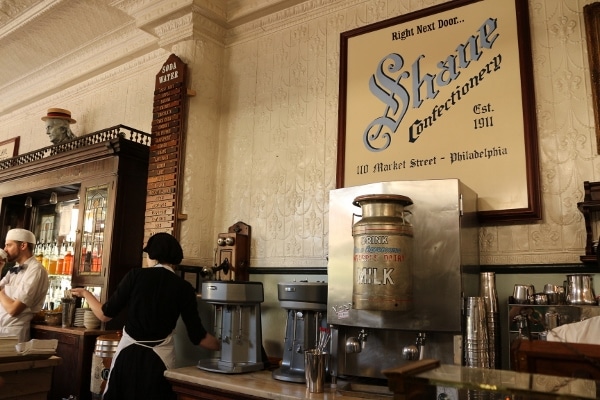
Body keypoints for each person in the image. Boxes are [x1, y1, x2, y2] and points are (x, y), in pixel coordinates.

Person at [71, 232, 220, 400]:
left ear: (152, 255)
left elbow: (104, 315)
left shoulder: (135, 276)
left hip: (127, 357)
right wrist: (224, 347)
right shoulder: (184, 288)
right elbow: (198, 337)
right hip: (159, 363)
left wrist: (86, 293)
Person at [0, 229, 49, 342]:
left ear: (23, 245)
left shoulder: (36, 270)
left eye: (9, 245)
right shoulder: (13, 270)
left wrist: (0, 291)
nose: (5, 249)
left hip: (14, 334)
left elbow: (13, 309)